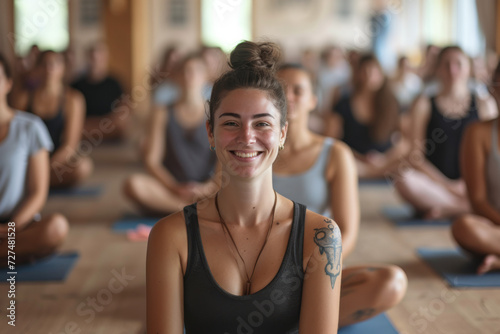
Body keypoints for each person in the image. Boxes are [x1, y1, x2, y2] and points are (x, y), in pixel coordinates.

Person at [147, 41, 342, 333]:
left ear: (282, 133)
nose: (247, 137)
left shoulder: (321, 237)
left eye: (262, 124)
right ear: (210, 132)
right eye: (230, 123)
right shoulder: (171, 237)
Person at [274, 63, 407, 327]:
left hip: (315, 269)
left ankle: (288, 323)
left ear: (313, 100)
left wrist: (308, 273)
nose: (289, 97)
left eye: (298, 90)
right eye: (281, 90)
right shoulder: (253, 150)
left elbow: (348, 232)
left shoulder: (336, 154)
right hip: (258, 268)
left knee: (390, 282)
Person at [393, 46, 498, 219]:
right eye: (446, 64)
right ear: (438, 69)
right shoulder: (424, 104)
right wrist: (449, 186)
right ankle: (465, 208)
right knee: (402, 178)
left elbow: (492, 155)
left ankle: (449, 208)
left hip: (476, 184)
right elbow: (415, 156)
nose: (452, 70)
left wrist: (468, 185)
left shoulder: (484, 104)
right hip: (437, 184)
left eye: (458, 64)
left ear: (468, 68)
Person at [124, 54, 217, 215]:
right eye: (184, 72)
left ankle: (180, 209)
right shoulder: (162, 112)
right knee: (133, 185)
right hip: (173, 188)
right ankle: (194, 210)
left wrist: (206, 188)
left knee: (236, 185)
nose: (190, 76)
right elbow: (152, 161)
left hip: (207, 188)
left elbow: (224, 162)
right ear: (175, 77)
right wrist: (175, 187)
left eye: (195, 71)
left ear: (206, 76)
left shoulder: (216, 113)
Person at [0, 53, 69, 266]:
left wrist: (11, 227)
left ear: (8, 83)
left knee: (56, 227)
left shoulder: (30, 127)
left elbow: (38, 192)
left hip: (17, 225)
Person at [12, 51, 93, 188]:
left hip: (56, 161)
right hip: (30, 160)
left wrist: (44, 168)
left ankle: (35, 183)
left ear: (63, 68)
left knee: (83, 167)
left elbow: (70, 145)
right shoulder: (24, 98)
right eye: (44, 64)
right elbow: (16, 137)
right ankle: (36, 182)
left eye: (55, 63)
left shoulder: (73, 99)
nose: (49, 68)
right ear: (37, 69)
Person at [325, 54, 408, 179]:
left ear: (381, 75)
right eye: (365, 71)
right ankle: (373, 172)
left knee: (406, 167)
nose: (369, 76)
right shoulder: (343, 104)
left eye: (374, 71)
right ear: (357, 74)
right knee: (341, 163)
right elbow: (331, 141)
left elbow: (404, 142)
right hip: (354, 160)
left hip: (385, 161)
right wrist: (361, 158)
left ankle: (375, 172)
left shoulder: (392, 104)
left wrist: (384, 159)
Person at [452, 62, 500, 274]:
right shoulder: (477, 133)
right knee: (464, 228)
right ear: (494, 89)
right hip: (494, 228)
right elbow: (477, 201)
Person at [71, 41, 129, 140]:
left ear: (106, 58)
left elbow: (123, 111)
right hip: (85, 125)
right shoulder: (77, 84)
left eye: (100, 57)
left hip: (108, 125)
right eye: (93, 57)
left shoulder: (115, 83)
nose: (96, 61)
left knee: (121, 126)